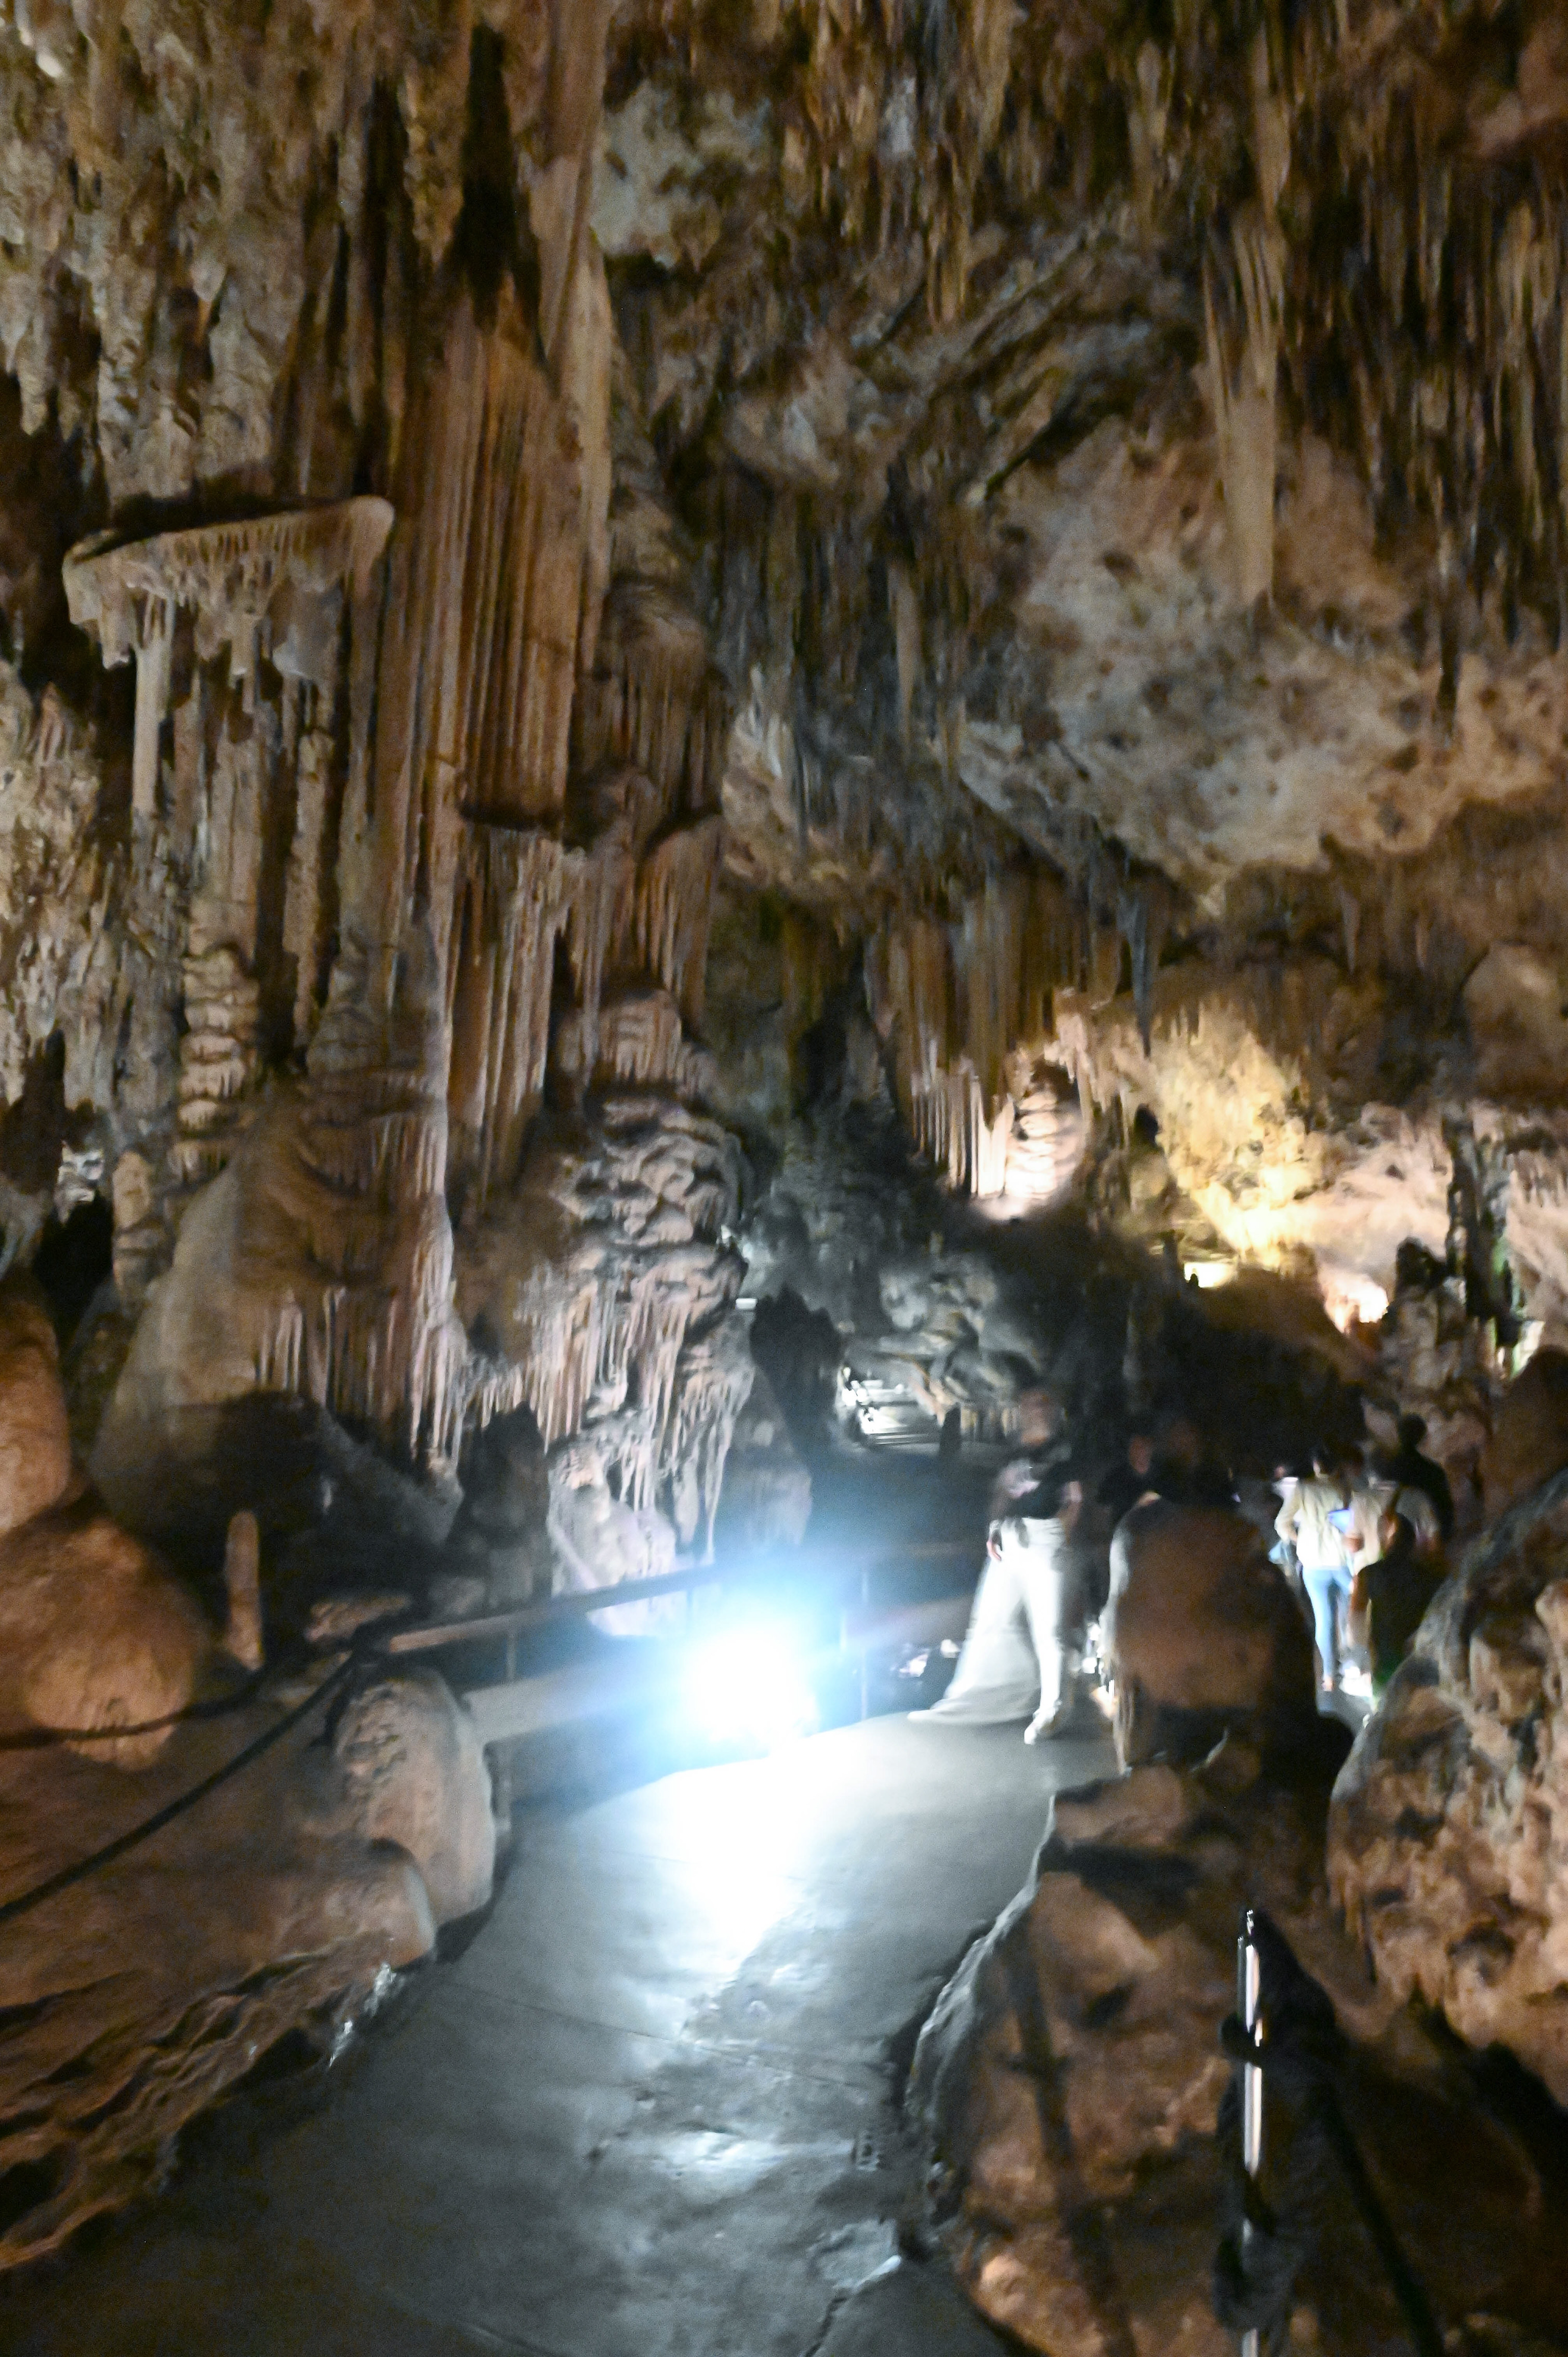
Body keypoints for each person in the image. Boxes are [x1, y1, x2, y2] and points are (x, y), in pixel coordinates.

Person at [915, 1392, 1083, 1741]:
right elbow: (1002, 1493)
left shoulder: (1066, 1451)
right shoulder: (1015, 1451)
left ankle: (1053, 1709)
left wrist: (1062, 1538)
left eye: (1042, 1406)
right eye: (1030, 1406)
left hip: (1046, 1536)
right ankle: (985, 1697)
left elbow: (1076, 1499)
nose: (1036, 1412)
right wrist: (994, 1528)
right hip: (1012, 1537)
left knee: (1050, 1630)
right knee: (992, 1618)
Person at [1275, 1449, 1355, 1692]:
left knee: (1324, 1619)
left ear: (1316, 1465)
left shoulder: (1303, 1489)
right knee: (1350, 1613)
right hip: (1340, 1561)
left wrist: (1300, 1539)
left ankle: (1329, 1676)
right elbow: (1349, 1525)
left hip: (1313, 1564)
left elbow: (1282, 1523)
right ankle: (1353, 1665)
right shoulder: (1343, 1489)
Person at [1349, 1505, 1441, 1693]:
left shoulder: (1369, 1574)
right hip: (1418, 1652)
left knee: (1384, 1700)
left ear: (1386, 1541)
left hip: (1384, 1652)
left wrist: (1362, 1654)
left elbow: (1356, 1615)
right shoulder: (1431, 1575)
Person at [1378, 1413, 1455, 1544]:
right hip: (1426, 1542)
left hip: (1391, 1540)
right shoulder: (1433, 1471)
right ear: (1422, 1437)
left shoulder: (1384, 1470)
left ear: (1399, 1435)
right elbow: (1445, 1512)